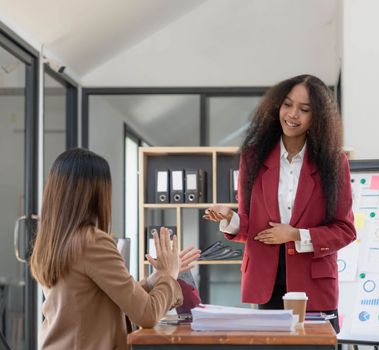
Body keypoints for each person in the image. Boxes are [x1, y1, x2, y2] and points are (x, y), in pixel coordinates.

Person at [203, 74, 356, 332]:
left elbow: (345, 230)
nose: (293, 114)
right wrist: (231, 218)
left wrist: (296, 235)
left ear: (316, 117)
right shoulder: (253, 158)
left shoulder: (333, 162)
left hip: (315, 290)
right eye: (287, 104)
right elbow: (252, 225)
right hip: (268, 283)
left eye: (304, 109)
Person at [30, 148, 200, 350]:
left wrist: (156, 278)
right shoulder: (92, 242)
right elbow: (147, 314)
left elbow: (99, 298)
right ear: (97, 193)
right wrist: (170, 276)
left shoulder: (51, 241)